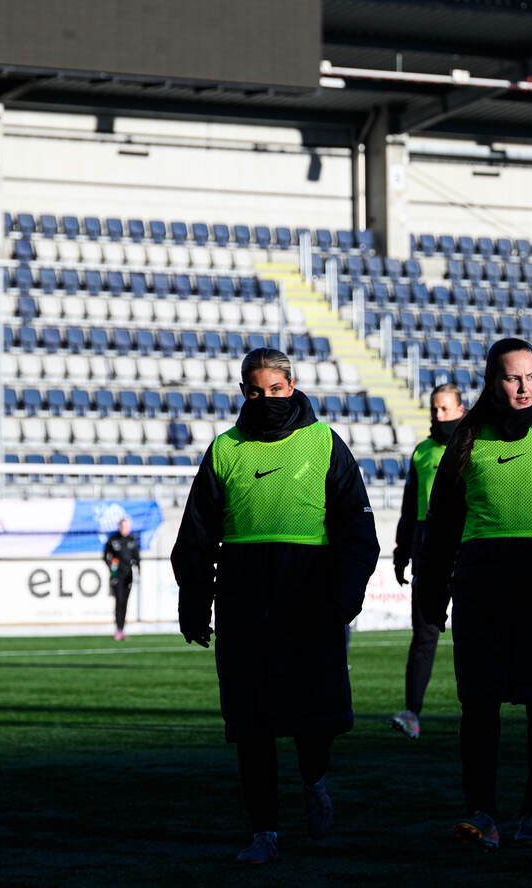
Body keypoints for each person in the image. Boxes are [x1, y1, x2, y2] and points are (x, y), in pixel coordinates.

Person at [172, 348, 380, 866]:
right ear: (244, 392)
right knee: (252, 723)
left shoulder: (326, 443)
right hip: (244, 604)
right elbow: (195, 538)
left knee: (316, 717)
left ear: (293, 385)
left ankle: (314, 782)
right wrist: (195, 604)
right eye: (254, 391)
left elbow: (359, 532)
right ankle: (264, 831)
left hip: (312, 603)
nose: (265, 400)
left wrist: (344, 597)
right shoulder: (225, 450)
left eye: (275, 390)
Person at [415, 338, 532, 850]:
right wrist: (432, 595)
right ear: (491, 380)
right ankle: (481, 814)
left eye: (530, 376)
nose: (523, 388)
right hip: (484, 591)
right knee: (479, 706)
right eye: (511, 377)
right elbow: (441, 527)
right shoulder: (467, 435)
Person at [390, 382, 468, 740]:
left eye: (445, 409)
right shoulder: (421, 453)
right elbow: (409, 509)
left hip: (466, 551)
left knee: (473, 636)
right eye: (434, 409)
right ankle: (412, 714)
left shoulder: (474, 447)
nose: (439, 416)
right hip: (426, 554)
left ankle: (479, 709)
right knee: (424, 636)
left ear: (461, 411)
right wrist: (401, 552)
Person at [102, 516, 140, 640]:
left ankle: (122, 629)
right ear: (119, 527)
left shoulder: (132, 540)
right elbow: (105, 556)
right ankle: (118, 630)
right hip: (117, 576)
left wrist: (138, 571)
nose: (125, 529)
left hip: (129, 576)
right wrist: (112, 568)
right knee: (119, 602)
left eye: (127, 526)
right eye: (123, 526)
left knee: (125, 603)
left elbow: (137, 558)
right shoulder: (113, 540)